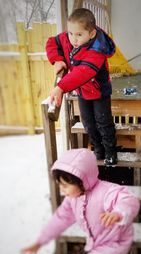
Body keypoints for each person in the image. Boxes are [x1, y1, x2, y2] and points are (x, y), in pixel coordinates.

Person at [21, 148, 140, 254]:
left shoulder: (106, 191)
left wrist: (118, 213)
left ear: (82, 181)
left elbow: (128, 200)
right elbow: (60, 218)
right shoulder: (73, 199)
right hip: (99, 240)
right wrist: (40, 241)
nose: (62, 190)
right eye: (60, 185)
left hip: (115, 242)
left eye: (65, 185)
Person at [46, 8, 118, 166]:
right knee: (88, 123)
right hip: (82, 91)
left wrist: (60, 87)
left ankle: (111, 152)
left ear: (91, 34)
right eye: (71, 33)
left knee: (103, 121)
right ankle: (98, 149)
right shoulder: (69, 37)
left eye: (79, 35)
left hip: (99, 92)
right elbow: (52, 42)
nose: (73, 39)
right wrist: (57, 59)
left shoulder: (97, 50)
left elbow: (82, 73)